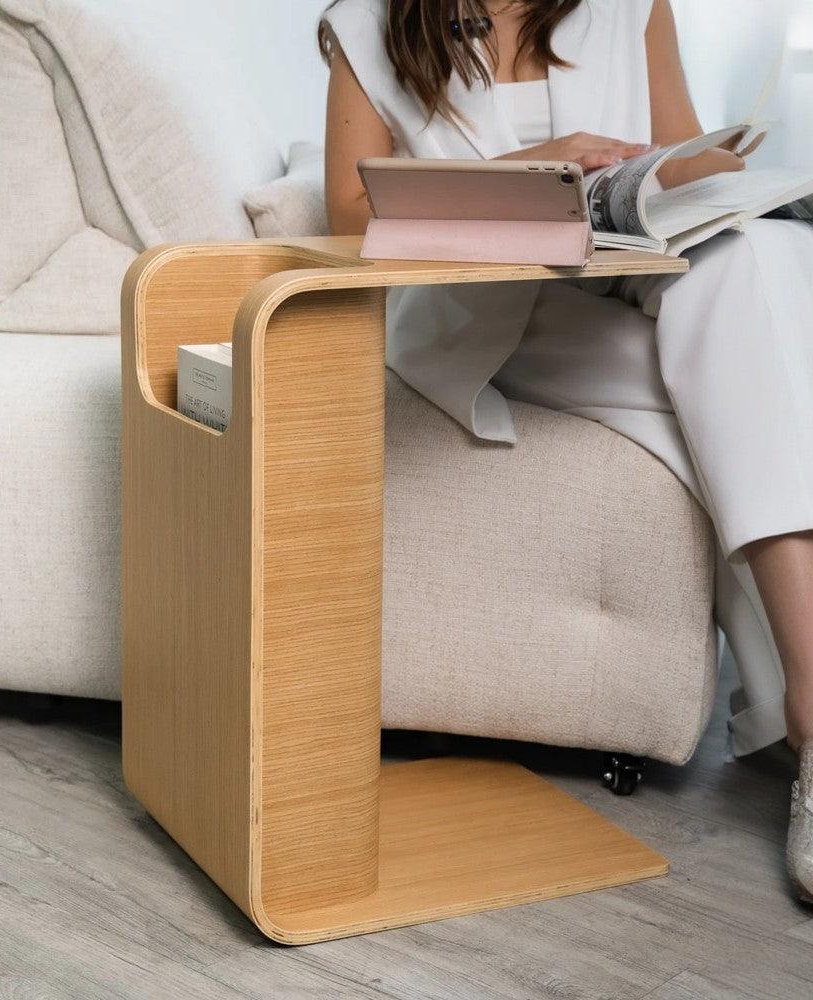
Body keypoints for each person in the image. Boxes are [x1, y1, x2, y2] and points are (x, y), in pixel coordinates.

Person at [319, 0, 813, 901]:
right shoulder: (366, 24)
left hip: (636, 274)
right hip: (492, 314)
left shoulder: (631, 6)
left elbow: (686, 148)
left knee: (758, 262)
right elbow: (348, 213)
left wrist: (688, 166)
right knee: (742, 382)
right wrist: (523, 175)